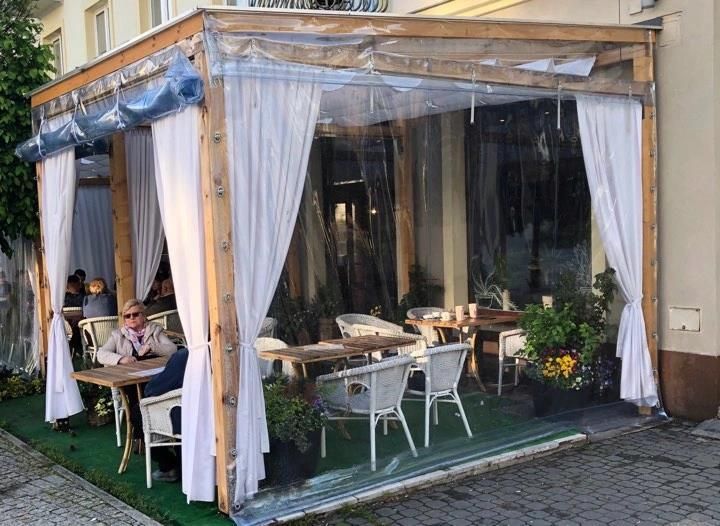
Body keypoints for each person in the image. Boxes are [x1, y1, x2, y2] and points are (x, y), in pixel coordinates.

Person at [131, 347, 188, 482]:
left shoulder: (185, 355)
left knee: (138, 411)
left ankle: (168, 466)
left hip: (183, 415)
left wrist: (153, 344)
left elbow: (152, 389)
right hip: (207, 411)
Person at [97, 299, 177, 366]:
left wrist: (152, 347)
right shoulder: (118, 335)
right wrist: (121, 359)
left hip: (154, 370)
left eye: (135, 314)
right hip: (129, 374)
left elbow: (173, 349)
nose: (131, 318)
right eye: (127, 316)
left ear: (144, 316)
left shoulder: (154, 330)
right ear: (125, 320)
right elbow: (101, 354)